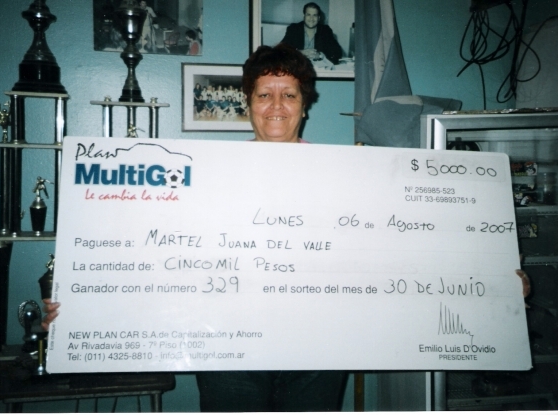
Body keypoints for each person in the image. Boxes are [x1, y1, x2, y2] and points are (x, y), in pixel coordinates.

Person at [42, 43, 533, 412]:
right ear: (247, 102)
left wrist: (491, 286)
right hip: (227, 353)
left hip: (319, 350)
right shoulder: (203, 175)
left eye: (289, 94)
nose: (276, 105)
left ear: (305, 103)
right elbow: (152, 255)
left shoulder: (352, 174)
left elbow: (403, 251)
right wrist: (84, 307)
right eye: (264, 94)